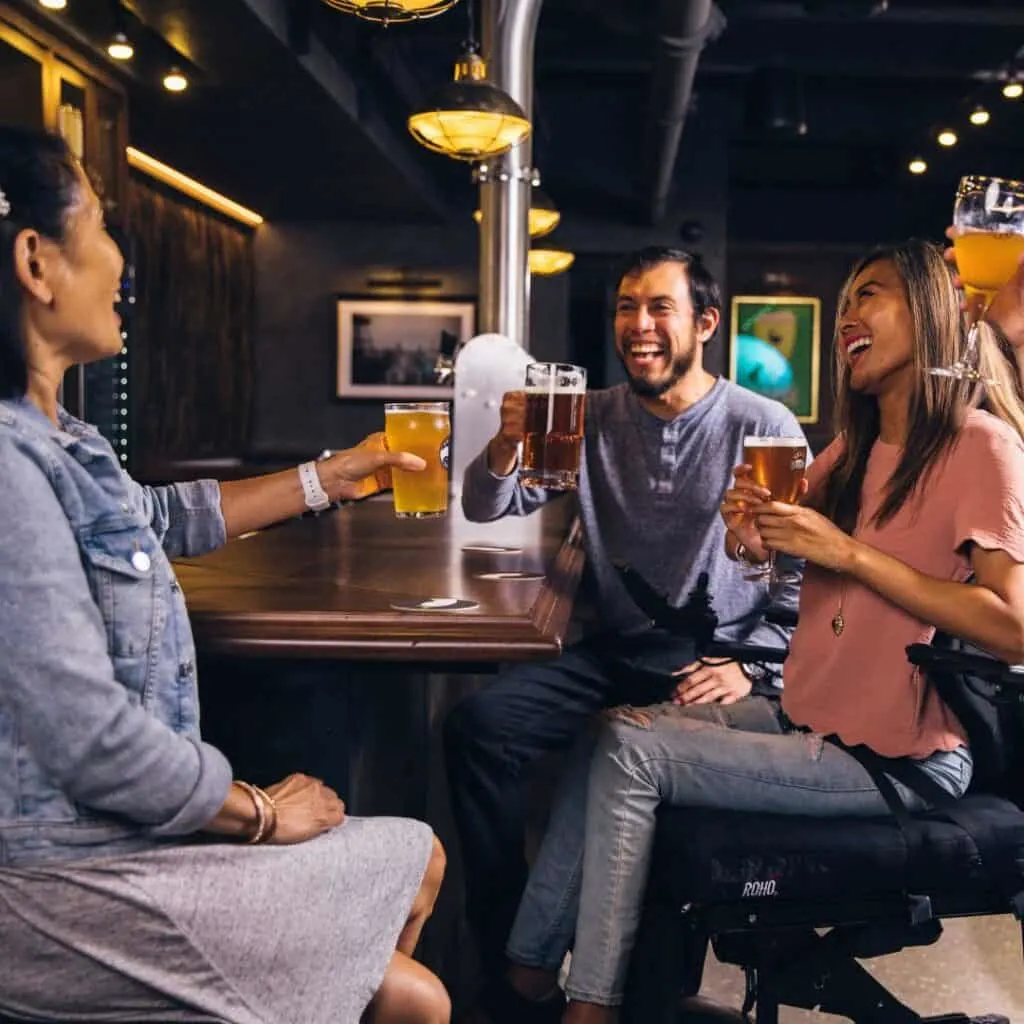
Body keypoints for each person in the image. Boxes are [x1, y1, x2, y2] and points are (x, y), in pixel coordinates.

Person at [500, 238, 1024, 1024]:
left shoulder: (980, 444)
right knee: (608, 732)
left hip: (901, 757)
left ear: (933, 311)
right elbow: (775, 550)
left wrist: (847, 552)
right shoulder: (861, 446)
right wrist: (750, 532)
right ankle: (528, 969)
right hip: (815, 711)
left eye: (869, 295)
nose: (848, 314)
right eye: (845, 298)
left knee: (632, 751)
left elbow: (1014, 628)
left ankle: (584, 1004)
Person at [0, 126, 450, 1024]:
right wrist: (256, 811)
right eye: (102, 226)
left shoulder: (67, 442)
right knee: (416, 992)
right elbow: (92, 742)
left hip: (121, 842)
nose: (125, 262)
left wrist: (336, 475)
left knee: (419, 875)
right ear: (36, 263)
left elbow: (162, 519)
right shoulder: (8, 467)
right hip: (56, 886)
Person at [445, 245, 808, 1014]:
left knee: (613, 757)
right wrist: (507, 442)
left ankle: (538, 966)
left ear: (705, 323)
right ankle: (501, 934)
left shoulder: (761, 423)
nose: (637, 326)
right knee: (478, 725)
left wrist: (753, 668)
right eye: (624, 308)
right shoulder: (590, 416)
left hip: (711, 660)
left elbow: (802, 574)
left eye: (659, 308)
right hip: (616, 651)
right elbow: (485, 506)